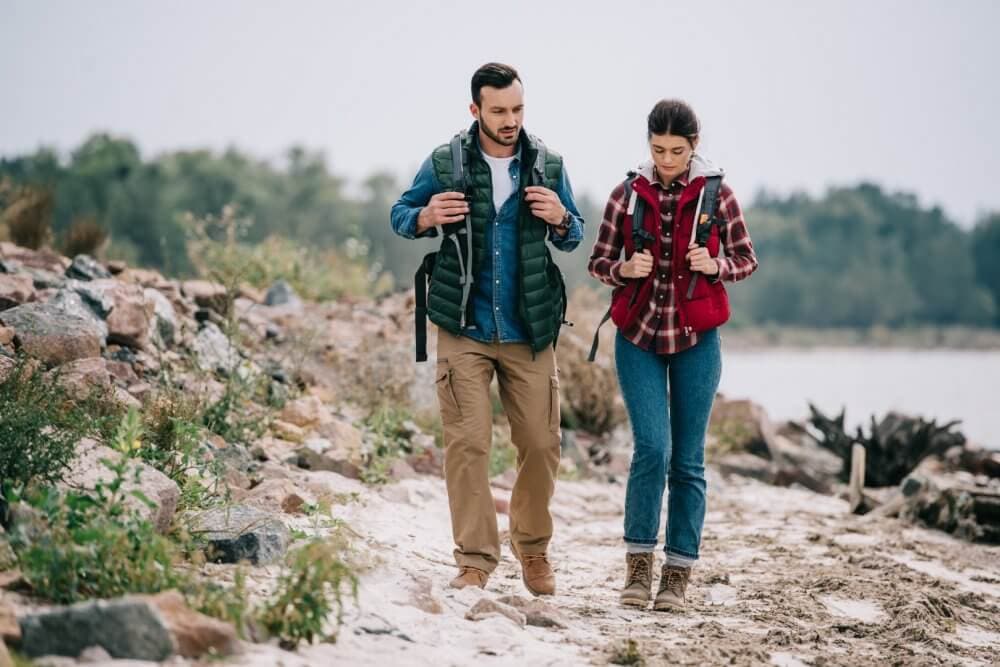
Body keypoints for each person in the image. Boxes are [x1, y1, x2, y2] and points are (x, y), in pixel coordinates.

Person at [390, 62, 584, 595]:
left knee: (541, 444)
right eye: (498, 110)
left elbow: (574, 234)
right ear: (475, 109)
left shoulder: (548, 164)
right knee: (468, 445)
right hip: (463, 325)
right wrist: (426, 216)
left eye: (517, 109)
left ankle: (533, 550)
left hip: (530, 327)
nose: (510, 120)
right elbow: (400, 214)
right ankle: (474, 560)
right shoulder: (446, 162)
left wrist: (561, 218)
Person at [587, 99, 758, 611]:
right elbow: (598, 262)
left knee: (687, 461)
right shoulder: (625, 194)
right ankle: (638, 568)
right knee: (652, 450)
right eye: (658, 150)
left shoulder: (718, 195)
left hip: (696, 341)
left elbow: (747, 259)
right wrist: (624, 270)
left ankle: (677, 576)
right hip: (637, 336)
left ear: (694, 146)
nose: (666, 160)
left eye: (676, 151)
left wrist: (716, 264)